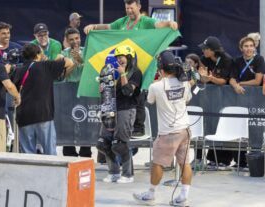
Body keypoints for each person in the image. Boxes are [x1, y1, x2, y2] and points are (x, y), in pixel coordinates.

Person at [84, 0, 178, 137]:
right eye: (127, 8)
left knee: (138, 94)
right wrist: (94, 26)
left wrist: (170, 23)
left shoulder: (146, 22)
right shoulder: (122, 22)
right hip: (124, 67)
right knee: (124, 93)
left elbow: (159, 25)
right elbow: (108, 27)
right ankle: (120, 126)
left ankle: (139, 127)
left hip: (141, 66)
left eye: (131, 8)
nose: (129, 11)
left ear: (139, 7)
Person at [133, 50, 192, 206]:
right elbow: (187, 99)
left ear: (160, 67)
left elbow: (150, 101)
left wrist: (158, 81)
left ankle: (151, 194)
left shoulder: (156, 86)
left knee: (157, 163)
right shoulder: (184, 82)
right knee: (184, 163)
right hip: (185, 129)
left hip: (168, 132)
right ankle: (184, 196)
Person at [13, 43, 74, 155]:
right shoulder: (46, 66)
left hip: (23, 115)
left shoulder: (18, 70)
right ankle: (51, 173)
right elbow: (70, 63)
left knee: (28, 154)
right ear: (37, 55)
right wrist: (61, 58)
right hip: (43, 114)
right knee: (49, 152)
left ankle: (29, 172)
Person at [97, 45, 142, 183]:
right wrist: (104, 89)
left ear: (129, 57)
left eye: (121, 57)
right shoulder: (116, 73)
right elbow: (112, 94)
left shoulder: (135, 72)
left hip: (126, 110)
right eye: (117, 58)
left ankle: (128, 175)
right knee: (103, 143)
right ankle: (114, 172)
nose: (119, 60)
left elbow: (128, 91)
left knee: (120, 144)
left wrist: (122, 74)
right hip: (112, 110)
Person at [229, 36, 265, 169]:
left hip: (256, 100)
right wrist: (235, 86)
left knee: (254, 128)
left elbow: (257, 81)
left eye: (251, 45)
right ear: (241, 48)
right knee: (239, 128)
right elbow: (231, 78)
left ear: (254, 47)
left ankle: (256, 159)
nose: (249, 48)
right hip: (240, 99)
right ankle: (241, 161)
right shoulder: (236, 60)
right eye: (246, 46)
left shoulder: (259, 59)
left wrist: (240, 83)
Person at [198, 36, 233, 169]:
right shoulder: (203, 59)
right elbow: (202, 76)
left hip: (225, 96)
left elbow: (224, 81)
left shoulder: (226, 60)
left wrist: (210, 78)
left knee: (223, 125)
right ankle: (212, 158)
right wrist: (204, 77)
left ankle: (225, 159)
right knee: (211, 124)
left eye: (205, 49)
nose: (203, 51)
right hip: (209, 96)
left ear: (213, 50)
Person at [60, 28, 91, 157]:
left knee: (86, 120)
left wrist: (82, 61)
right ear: (67, 41)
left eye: (77, 38)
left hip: (84, 89)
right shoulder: (63, 54)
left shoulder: (88, 51)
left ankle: (85, 149)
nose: (75, 41)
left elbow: (91, 72)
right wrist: (74, 63)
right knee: (68, 120)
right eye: (71, 39)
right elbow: (63, 75)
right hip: (68, 88)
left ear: (80, 38)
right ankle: (68, 150)